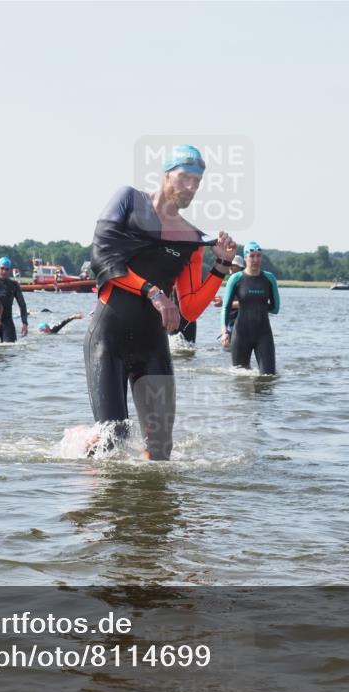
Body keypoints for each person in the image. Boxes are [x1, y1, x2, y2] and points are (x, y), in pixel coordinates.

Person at [84, 144, 238, 460]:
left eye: (197, 181)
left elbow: (190, 309)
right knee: (113, 439)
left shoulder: (192, 239)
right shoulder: (129, 200)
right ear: (166, 174)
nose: (191, 187)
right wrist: (153, 293)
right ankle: (91, 485)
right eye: (184, 177)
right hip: (108, 340)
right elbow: (103, 259)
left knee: (161, 449)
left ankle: (152, 507)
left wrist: (220, 266)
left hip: (151, 346)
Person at [221, 242, 280, 374]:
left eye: (259, 256)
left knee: (268, 376)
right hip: (241, 335)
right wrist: (225, 332)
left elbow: (276, 309)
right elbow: (226, 307)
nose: (255, 260)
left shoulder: (269, 279)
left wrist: (255, 305)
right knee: (240, 380)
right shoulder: (236, 279)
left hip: (264, 335)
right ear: (246, 258)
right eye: (252, 256)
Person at [0, 256, 29, 342]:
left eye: (7, 269)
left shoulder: (14, 285)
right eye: (2, 268)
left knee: (10, 350)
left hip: (7, 321)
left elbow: (22, 305)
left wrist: (25, 323)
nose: (4, 271)